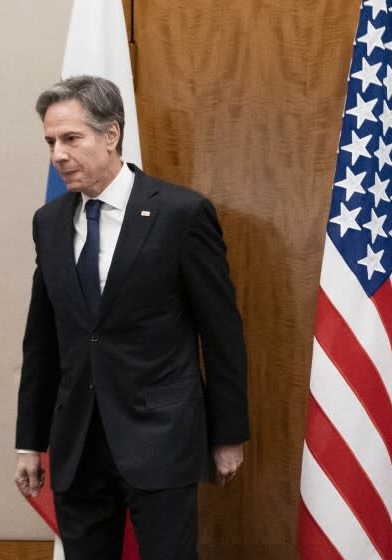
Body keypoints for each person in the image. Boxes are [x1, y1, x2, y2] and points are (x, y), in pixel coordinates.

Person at [14, 75, 250, 560]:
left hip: (160, 438)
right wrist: (29, 442)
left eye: (71, 138)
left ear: (111, 134)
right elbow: (42, 338)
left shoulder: (180, 214)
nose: (57, 154)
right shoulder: (51, 221)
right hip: (77, 443)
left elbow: (222, 333)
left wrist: (227, 435)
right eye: (50, 141)